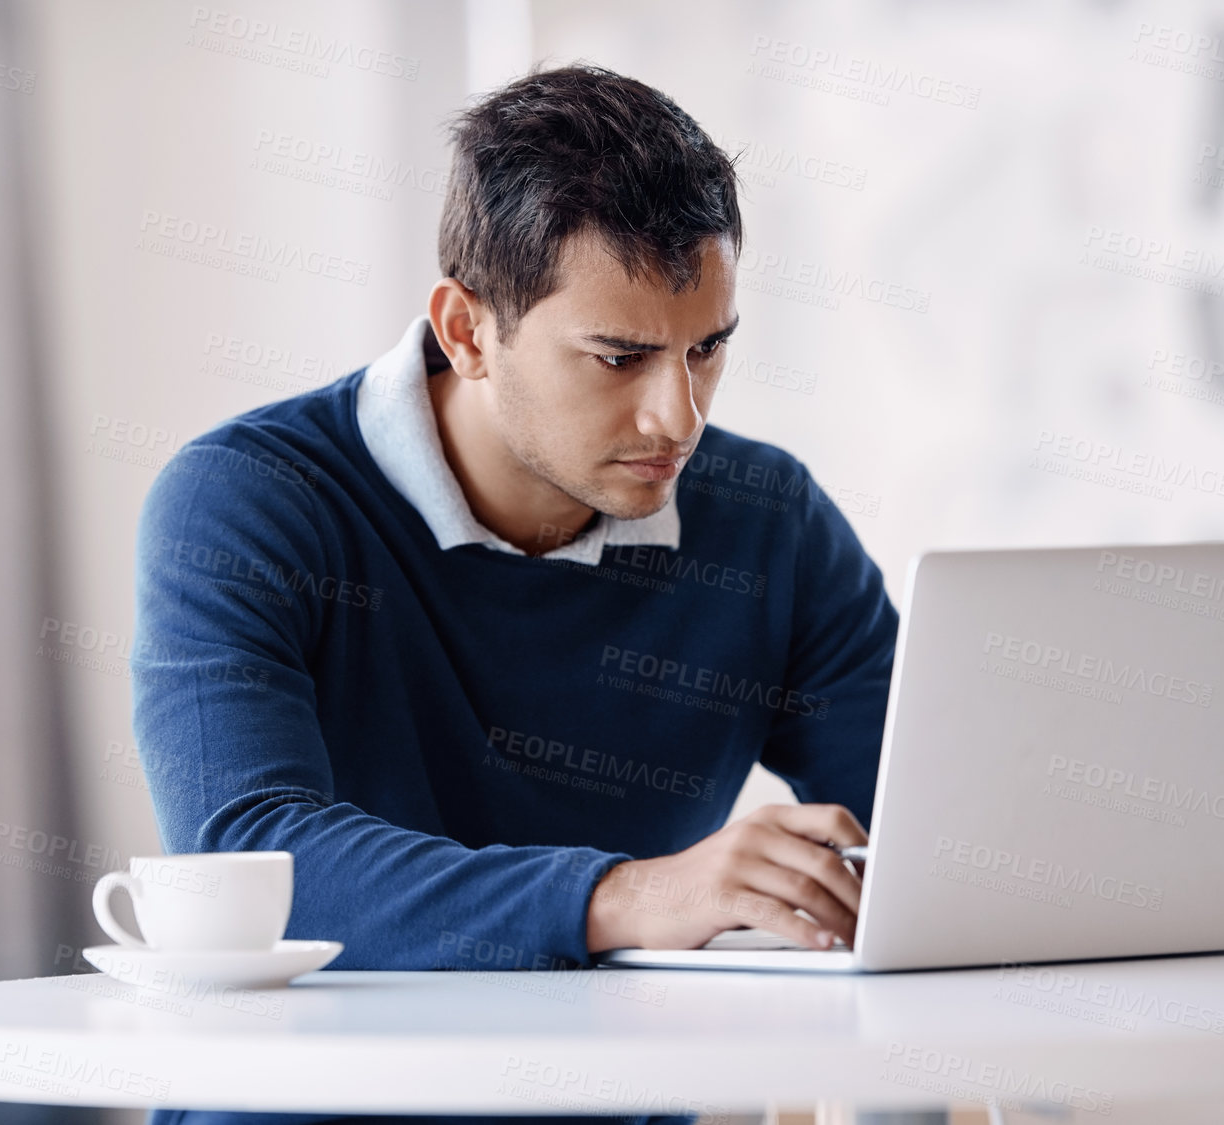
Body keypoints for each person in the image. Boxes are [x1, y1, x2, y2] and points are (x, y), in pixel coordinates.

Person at [132, 64, 899, 1125]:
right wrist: (630, 895)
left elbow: (926, 826)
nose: (676, 416)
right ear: (464, 330)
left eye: (707, 349)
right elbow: (249, 857)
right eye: (617, 357)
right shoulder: (250, 501)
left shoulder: (766, 520)